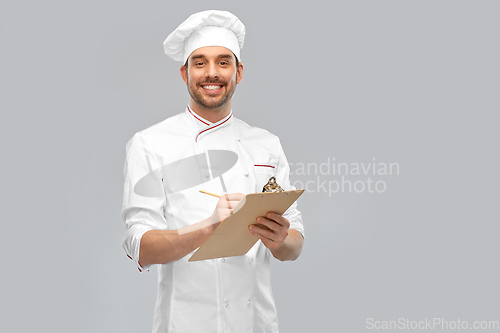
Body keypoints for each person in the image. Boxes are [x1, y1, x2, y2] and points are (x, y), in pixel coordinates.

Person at [122, 10, 304, 333]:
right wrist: (209, 227)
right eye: (200, 62)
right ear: (184, 73)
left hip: (255, 324)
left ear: (239, 71)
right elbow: (141, 246)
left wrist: (279, 241)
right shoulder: (150, 144)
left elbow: (295, 243)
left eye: (223, 62)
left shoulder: (266, 145)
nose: (212, 73)